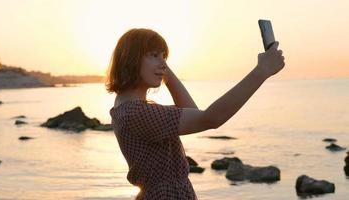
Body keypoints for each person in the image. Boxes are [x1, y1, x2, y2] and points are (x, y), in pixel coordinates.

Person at [106, 28, 285, 200]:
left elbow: (192, 110)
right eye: (154, 55)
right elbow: (210, 118)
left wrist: (162, 70)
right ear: (131, 59)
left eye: (164, 57)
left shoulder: (128, 109)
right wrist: (261, 71)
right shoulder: (137, 113)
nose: (164, 64)